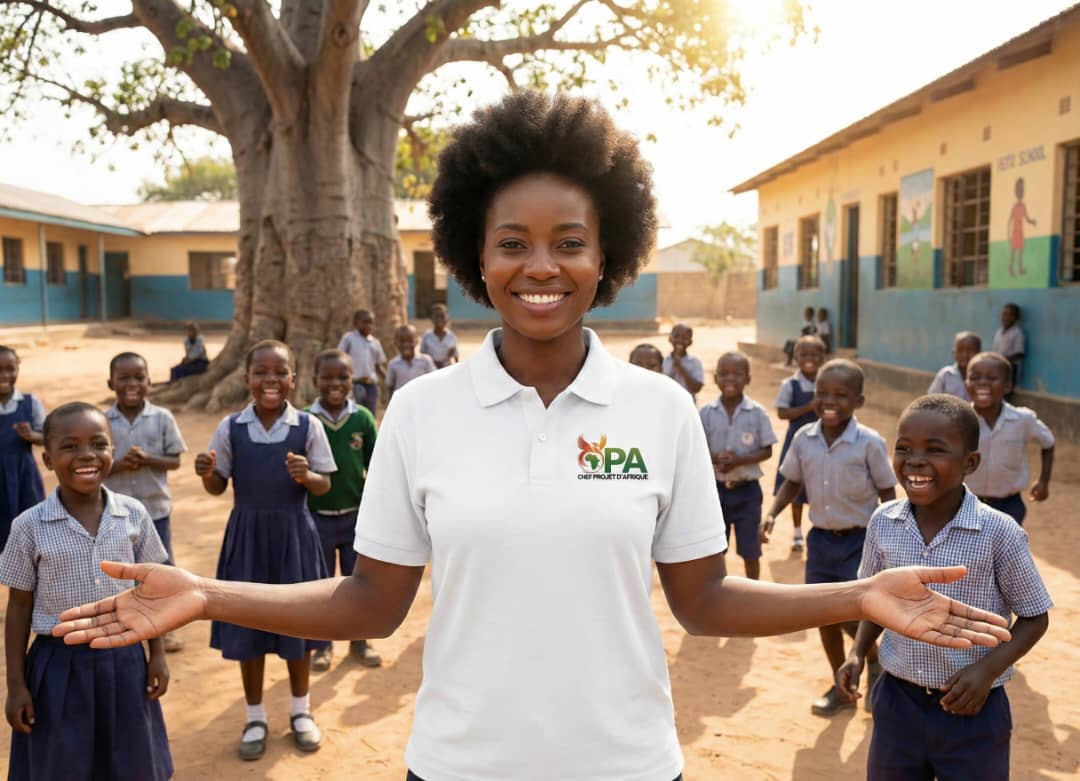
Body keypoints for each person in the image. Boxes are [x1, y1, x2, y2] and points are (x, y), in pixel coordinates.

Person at [53, 92, 1011, 781]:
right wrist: (209, 592)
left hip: (628, 763)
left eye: (569, 241)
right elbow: (369, 601)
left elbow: (705, 599)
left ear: (609, 257)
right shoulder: (423, 412)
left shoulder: (659, 411)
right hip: (459, 763)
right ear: (479, 255)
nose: (540, 265)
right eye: (513, 241)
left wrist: (860, 596)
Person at [837, 394, 1051, 781]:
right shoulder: (884, 522)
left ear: (970, 462)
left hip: (973, 709)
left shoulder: (999, 532)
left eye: (935, 450)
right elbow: (872, 601)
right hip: (898, 703)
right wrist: (856, 652)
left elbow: (1035, 617)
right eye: (904, 448)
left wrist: (987, 671)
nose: (915, 460)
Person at [1, 402, 173, 780]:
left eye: (98, 444)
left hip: (126, 659)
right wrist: (16, 685)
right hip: (58, 666)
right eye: (69, 447)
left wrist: (157, 652)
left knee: (131, 761)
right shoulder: (29, 527)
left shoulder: (134, 515)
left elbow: (152, 589)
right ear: (46, 459)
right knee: (63, 764)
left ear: (113, 450)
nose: (86, 456)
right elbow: (19, 606)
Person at [195, 340, 337, 760]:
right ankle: (255, 716)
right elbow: (219, 485)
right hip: (248, 538)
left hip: (294, 535)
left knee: (299, 625)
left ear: (294, 379)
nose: (270, 380)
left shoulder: (308, 427)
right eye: (261, 372)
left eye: (280, 373)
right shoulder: (231, 427)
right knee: (248, 628)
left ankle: (301, 711)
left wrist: (307, 475)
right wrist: (206, 475)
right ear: (247, 379)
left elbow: (325, 483)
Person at [762, 359, 898, 717]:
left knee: (854, 614)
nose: (829, 400)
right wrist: (773, 513)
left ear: (859, 401)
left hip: (861, 542)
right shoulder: (804, 439)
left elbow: (887, 491)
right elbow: (791, 481)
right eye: (822, 393)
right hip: (821, 541)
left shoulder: (869, 442)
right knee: (823, 614)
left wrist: (895, 536)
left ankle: (870, 659)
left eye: (841, 394)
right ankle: (840, 684)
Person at [104, 352, 187, 652]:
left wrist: (148, 459)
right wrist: (121, 465)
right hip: (115, 515)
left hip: (155, 512)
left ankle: (166, 630)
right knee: (120, 571)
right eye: (123, 378)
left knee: (160, 572)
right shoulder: (102, 421)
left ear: (150, 382)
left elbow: (174, 461)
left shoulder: (162, 418)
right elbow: (97, 467)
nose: (132, 384)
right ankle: (125, 624)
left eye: (139, 377)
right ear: (110, 382)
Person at [306, 349, 382, 671]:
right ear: (314, 380)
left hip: (355, 518)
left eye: (343, 377)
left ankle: (359, 641)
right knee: (321, 586)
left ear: (353, 380)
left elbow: (377, 467)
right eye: (327, 377)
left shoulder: (362, 418)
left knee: (357, 584)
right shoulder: (305, 421)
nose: (335, 383)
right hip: (315, 519)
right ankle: (322, 646)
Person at [699, 352, 777, 580]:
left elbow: (768, 450)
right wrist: (716, 459)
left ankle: (754, 592)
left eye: (737, 374)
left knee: (751, 549)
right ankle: (715, 593)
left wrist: (739, 460)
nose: (730, 379)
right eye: (723, 374)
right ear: (715, 378)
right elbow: (697, 448)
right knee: (714, 548)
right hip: (715, 492)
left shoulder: (758, 413)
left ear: (748, 379)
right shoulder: (706, 413)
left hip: (747, 493)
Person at [965, 351, 1054, 526]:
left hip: (1008, 505)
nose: (982, 382)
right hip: (966, 503)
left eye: (991, 378)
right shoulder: (960, 420)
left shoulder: (1022, 419)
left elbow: (1048, 443)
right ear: (966, 383)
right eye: (974, 377)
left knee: (1003, 550)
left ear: (1007, 386)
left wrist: (1043, 481)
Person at [773, 334, 825, 553]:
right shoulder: (790, 384)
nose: (809, 358)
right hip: (798, 442)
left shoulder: (827, 383)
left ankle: (820, 530)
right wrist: (808, 407)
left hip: (824, 443)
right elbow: (782, 412)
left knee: (821, 486)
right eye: (803, 354)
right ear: (795, 357)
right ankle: (796, 532)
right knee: (795, 486)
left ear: (822, 357)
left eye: (814, 354)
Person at [0, 346, 45, 552]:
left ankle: (24, 581)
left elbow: (47, 438)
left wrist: (31, 436)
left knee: (29, 533)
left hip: (23, 476)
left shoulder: (29, 402)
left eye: (10, 369)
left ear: (18, 369)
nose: (4, 375)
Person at [338, 309, 387, 413]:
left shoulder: (375, 342)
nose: (369, 326)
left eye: (371, 323)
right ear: (356, 323)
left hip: (371, 385)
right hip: (355, 383)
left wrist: (388, 379)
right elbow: (340, 358)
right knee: (355, 412)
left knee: (370, 413)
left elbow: (378, 365)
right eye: (365, 322)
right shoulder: (349, 339)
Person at [386, 325, 436, 402]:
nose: (406, 345)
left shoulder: (426, 360)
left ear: (416, 341)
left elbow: (433, 381)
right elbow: (390, 387)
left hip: (422, 400)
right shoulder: (393, 364)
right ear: (396, 342)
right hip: (402, 402)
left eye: (410, 341)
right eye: (402, 341)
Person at [927, 331, 981, 401]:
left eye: (969, 350)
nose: (964, 355)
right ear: (953, 353)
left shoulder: (981, 377)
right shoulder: (946, 374)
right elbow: (931, 398)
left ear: (979, 353)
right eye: (960, 350)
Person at [662, 323, 705, 398]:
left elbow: (697, 388)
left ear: (690, 342)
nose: (680, 340)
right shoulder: (663, 361)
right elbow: (662, 387)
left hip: (687, 407)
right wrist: (674, 368)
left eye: (685, 338)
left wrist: (680, 368)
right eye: (676, 336)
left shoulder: (695, 362)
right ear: (670, 339)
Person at [991, 303, 1025, 394]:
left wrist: (1004, 359)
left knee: (1006, 391)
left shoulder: (1017, 333)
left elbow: (1020, 353)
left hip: (1011, 368)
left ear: (1016, 318)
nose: (1005, 317)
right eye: (1004, 314)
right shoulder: (999, 332)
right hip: (997, 366)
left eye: (1009, 315)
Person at [1007, 177, 1036, 278]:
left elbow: (1027, 218)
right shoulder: (1015, 206)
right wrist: (1008, 235)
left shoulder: (1023, 206)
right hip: (1015, 231)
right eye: (1019, 189)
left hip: (1020, 231)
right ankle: (1010, 268)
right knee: (1013, 251)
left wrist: (1032, 222)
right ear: (1016, 191)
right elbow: (1010, 221)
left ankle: (1020, 268)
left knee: (1020, 251)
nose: (1021, 192)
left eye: (1022, 189)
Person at [419, 303, 459, 369]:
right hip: (430, 370)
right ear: (432, 318)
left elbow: (456, 357)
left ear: (447, 318)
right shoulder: (426, 336)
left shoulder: (452, 336)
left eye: (442, 316)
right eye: (436, 316)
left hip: (446, 369)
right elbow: (422, 355)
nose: (439, 319)